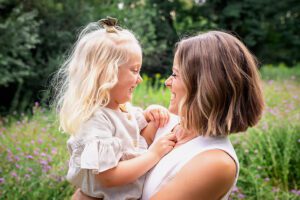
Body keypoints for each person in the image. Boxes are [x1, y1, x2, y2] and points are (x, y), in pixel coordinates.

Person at [53, 17, 176, 200]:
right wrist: (154, 154)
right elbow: (109, 178)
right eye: (134, 70)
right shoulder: (94, 119)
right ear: (106, 74)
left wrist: (152, 115)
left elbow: (142, 139)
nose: (140, 79)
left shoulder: (124, 111)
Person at [142, 31, 264, 200]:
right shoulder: (163, 123)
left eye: (175, 74)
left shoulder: (215, 162)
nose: (167, 82)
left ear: (203, 86)